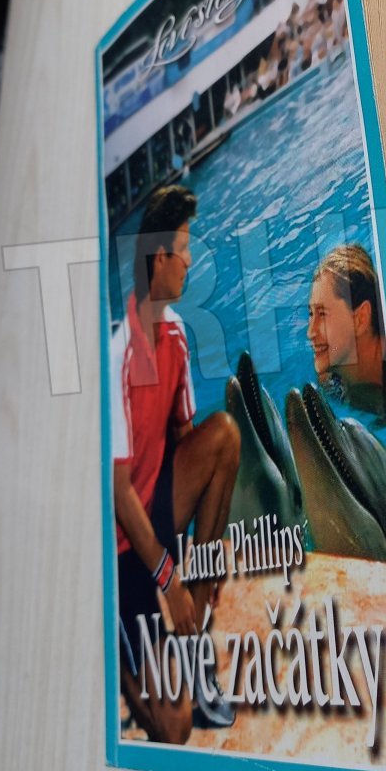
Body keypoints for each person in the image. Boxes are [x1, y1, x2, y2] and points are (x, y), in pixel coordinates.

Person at [111, 185, 240, 742]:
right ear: (160, 257)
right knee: (176, 727)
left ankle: (194, 646)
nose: (190, 261)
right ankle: (117, 658)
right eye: (184, 249)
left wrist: (200, 564)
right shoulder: (118, 356)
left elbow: (187, 442)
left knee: (225, 435)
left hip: (158, 514)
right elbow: (118, 492)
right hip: (121, 549)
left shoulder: (177, 336)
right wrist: (168, 579)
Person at [306, 244, 386, 424]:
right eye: (311, 314)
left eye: (322, 314)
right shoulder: (330, 380)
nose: (310, 332)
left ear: (360, 319)